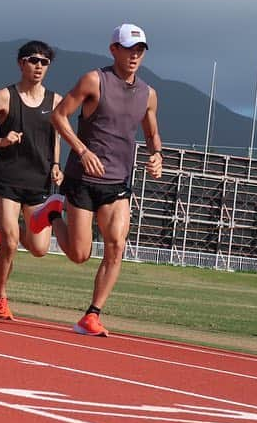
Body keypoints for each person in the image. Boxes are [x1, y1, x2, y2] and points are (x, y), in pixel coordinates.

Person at [32, 23, 163, 336]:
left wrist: (156, 155)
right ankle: (53, 212)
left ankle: (92, 315)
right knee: (80, 255)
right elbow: (58, 116)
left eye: (140, 50)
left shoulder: (148, 94)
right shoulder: (95, 80)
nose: (134, 56)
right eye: (129, 49)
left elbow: (152, 133)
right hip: (83, 179)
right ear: (113, 49)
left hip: (118, 182)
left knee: (116, 246)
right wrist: (81, 149)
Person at [0, 41, 63, 320]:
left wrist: (56, 165)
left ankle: (5, 233)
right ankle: (0, 296)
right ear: (21, 63)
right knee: (10, 244)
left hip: (39, 181)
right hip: (9, 177)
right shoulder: (4, 96)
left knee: (39, 249)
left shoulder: (56, 101)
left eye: (44, 62)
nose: (38, 66)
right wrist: (1, 140)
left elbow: (56, 137)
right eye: (33, 60)